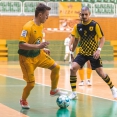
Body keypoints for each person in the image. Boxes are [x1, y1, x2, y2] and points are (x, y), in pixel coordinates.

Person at [18, 3, 67, 109]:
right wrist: (38, 46)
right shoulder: (27, 27)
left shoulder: (40, 25)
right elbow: (21, 45)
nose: (47, 17)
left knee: (56, 67)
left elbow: (37, 42)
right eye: (46, 15)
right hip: (27, 59)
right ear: (40, 15)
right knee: (31, 84)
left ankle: (53, 90)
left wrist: (42, 48)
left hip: (38, 55)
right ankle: (23, 100)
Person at [69, 6, 117, 100]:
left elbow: (102, 38)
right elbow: (76, 40)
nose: (84, 16)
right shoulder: (77, 26)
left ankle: (113, 89)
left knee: (101, 73)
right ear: (80, 15)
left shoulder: (95, 25)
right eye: (82, 14)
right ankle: (74, 93)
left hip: (93, 53)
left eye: (86, 14)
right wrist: (72, 52)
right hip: (82, 53)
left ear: (89, 14)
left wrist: (99, 49)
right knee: (72, 68)